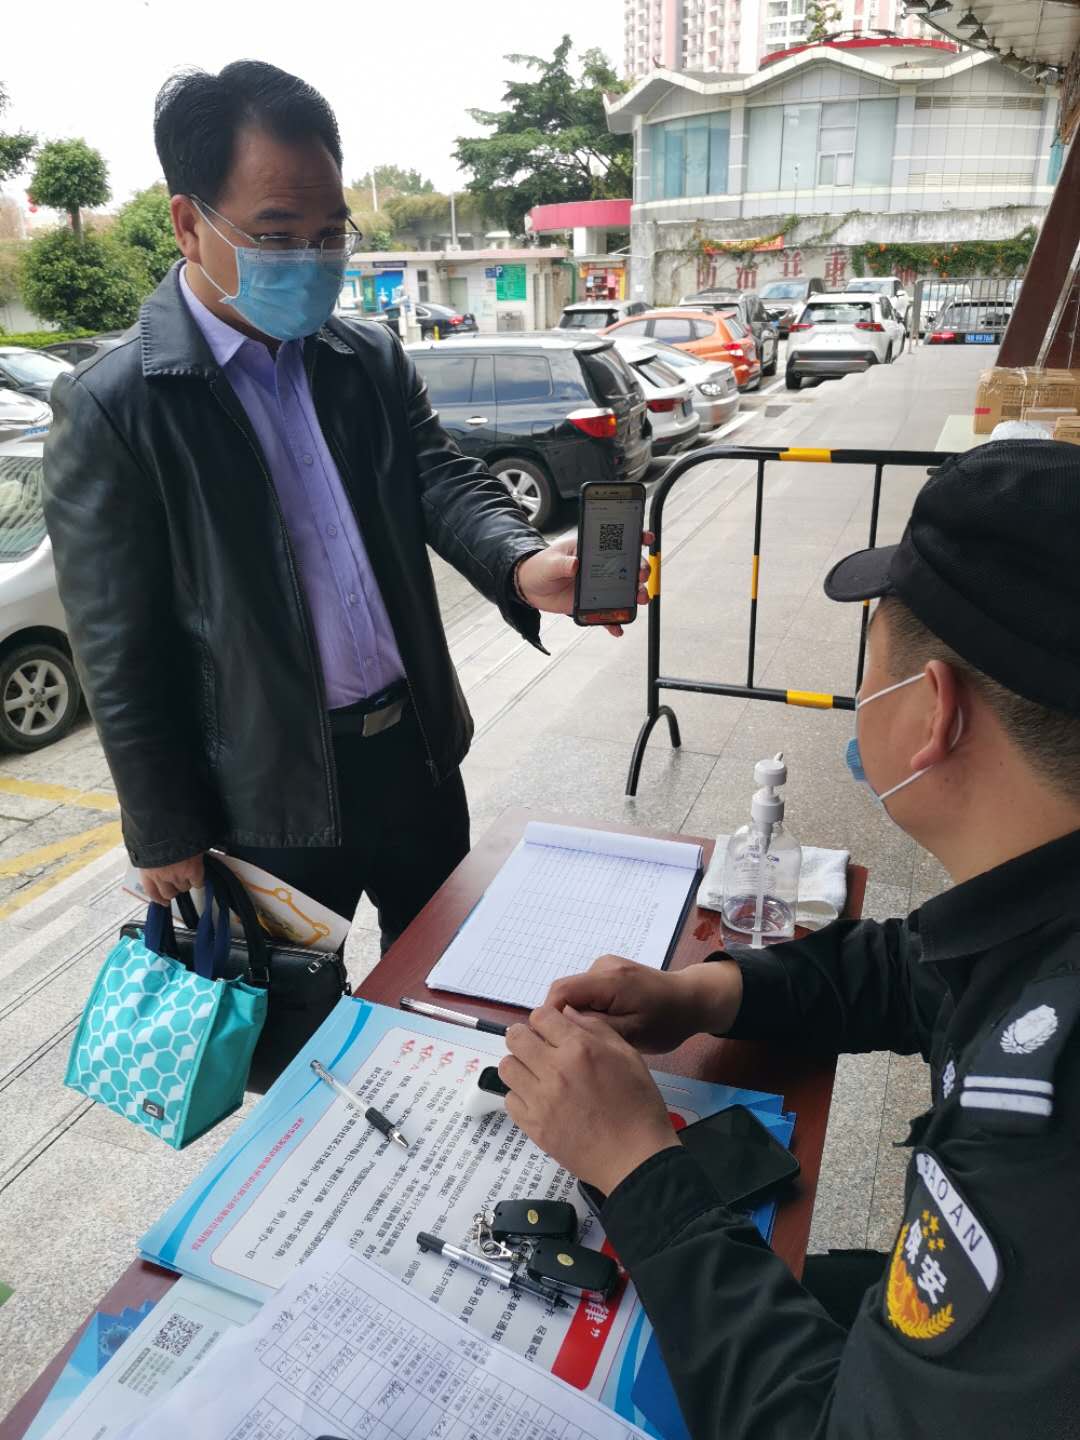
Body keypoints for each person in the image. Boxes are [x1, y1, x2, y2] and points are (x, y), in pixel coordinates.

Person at [500, 441, 1080, 1438]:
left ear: (931, 710)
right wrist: (704, 993)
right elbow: (923, 972)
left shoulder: (1038, 1133)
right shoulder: (1039, 911)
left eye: (871, 660)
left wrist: (635, 1163)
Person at [43, 61, 644, 948]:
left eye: (330, 233)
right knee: (293, 1024)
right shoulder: (116, 405)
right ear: (189, 224)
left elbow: (439, 477)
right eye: (278, 234)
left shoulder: (365, 358)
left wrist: (522, 563)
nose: (312, 260)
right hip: (264, 792)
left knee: (437, 982)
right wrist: (162, 826)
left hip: (415, 753)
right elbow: (114, 642)